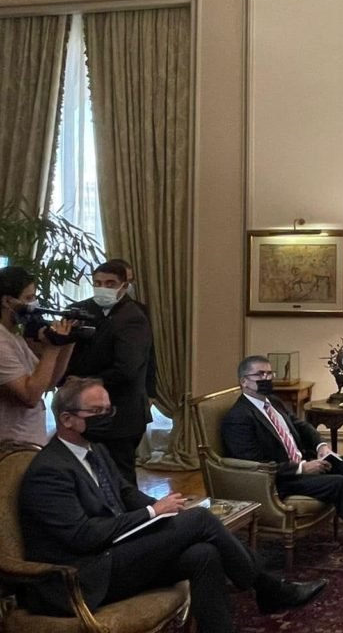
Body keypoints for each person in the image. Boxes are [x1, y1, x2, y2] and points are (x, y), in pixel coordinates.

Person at [18, 378, 326, 631]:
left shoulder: (95, 449)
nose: (107, 418)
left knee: (203, 554)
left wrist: (166, 510)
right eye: (96, 412)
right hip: (80, 577)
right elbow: (83, 536)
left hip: (111, 555)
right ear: (67, 419)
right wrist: (153, 513)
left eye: (109, 410)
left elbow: (126, 494)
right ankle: (269, 588)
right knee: (200, 520)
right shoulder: (50, 471)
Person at [221, 355, 343, 567]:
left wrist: (321, 446)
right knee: (340, 483)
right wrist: (302, 468)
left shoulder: (273, 402)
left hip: (302, 463)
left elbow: (302, 426)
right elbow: (256, 466)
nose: (266, 378)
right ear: (244, 381)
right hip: (278, 480)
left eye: (269, 373)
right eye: (260, 375)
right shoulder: (238, 418)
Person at [64, 261, 152, 484]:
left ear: (124, 285)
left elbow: (127, 368)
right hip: (84, 412)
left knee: (120, 478)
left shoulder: (133, 317)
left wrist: (83, 382)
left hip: (120, 413)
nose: (103, 288)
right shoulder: (80, 310)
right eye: (98, 283)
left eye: (110, 283)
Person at [0, 266, 76, 445]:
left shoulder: (14, 337)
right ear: (7, 301)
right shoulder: (1, 341)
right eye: (28, 298)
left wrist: (67, 343)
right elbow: (30, 396)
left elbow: (47, 383)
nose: (34, 304)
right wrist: (51, 349)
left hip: (28, 443)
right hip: (11, 447)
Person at [106, 258, 159, 414]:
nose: (127, 286)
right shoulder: (88, 310)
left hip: (133, 393)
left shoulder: (139, 311)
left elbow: (149, 353)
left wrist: (151, 391)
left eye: (129, 281)